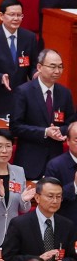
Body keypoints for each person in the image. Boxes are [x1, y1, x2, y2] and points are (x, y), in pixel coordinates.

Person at [1, 176, 77, 261]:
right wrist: (37, 260)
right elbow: (8, 258)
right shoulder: (19, 224)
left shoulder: (67, 225)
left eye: (58, 197)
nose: (55, 201)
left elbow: (73, 259)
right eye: (50, 196)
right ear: (37, 197)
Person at [13, 49, 77, 179]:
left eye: (60, 67)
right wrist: (45, 132)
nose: (57, 71)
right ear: (39, 67)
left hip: (56, 160)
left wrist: (60, 131)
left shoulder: (65, 93)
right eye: (52, 66)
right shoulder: (24, 91)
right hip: (30, 160)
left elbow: (71, 124)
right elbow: (15, 127)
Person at [0, 0, 40, 117]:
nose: (16, 18)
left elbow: (33, 65)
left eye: (19, 15)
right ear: (1, 16)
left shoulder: (29, 37)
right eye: (12, 15)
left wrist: (35, 73)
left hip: (22, 99)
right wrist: (0, 77)